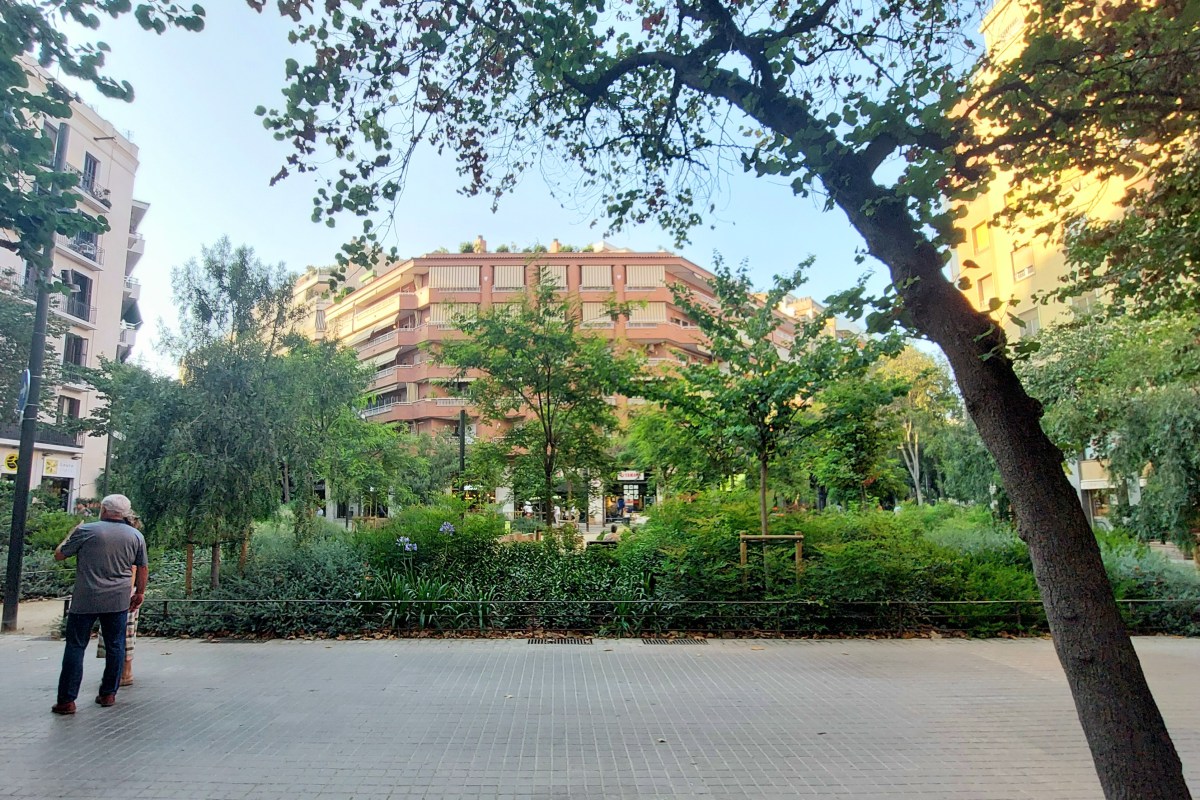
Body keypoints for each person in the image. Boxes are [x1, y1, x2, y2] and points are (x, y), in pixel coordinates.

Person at [51, 494, 147, 715]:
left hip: (85, 599)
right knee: (116, 645)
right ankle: (108, 694)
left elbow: (59, 555)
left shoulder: (86, 531)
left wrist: (69, 535)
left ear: (103, 509)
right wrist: (139, 592)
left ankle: (66, 701)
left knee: (76, 646)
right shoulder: (135, 535)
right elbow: (142, 567)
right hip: (118, 600)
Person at [96, 512, 143, 686]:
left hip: (121, 594)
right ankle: (122, 671)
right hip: (123, 592)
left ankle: (124, 672)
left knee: (122, 632)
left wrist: (129, 592)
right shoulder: (132, 539)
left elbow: (133, 568)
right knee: (123, 632)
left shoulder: (125, 541)